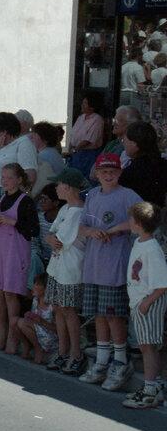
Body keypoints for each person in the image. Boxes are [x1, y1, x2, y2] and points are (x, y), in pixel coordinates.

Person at [77, 153, 142, 390]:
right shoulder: (93, 195)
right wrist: (91, 232)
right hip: (94, 264)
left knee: (114, 315)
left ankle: (121, 359)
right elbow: (83, 225)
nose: (107, 175)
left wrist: (118, 228)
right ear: (97, 172)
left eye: (112, 171)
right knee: (100, 314)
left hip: (115, 264)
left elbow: (144, 217)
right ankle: (102, 360)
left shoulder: (127, 196)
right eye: (103, 171)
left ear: (119, 173)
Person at [0, 163, 39, 353]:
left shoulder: (26, 201)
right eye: (3, 177)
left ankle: (13, 337)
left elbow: (33, 230)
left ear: (19, 179)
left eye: (9, 177)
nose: (5, 181)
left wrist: (12, 222)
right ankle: (2, 331)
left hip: (16, 251)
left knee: (10, 292)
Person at [42, 168, 89, 374]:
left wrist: (52, 238)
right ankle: (62, 351)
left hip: (71, 270)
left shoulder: (77, 212)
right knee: (58, 308)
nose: (56, 188)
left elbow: (60, 240)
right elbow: (50, 234)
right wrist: (50, 238)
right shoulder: (64, 209)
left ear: (68, 187)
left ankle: (75, 354)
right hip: (56, 267)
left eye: (59, 185)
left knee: (69, 311)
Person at [122, 202, 167, 408]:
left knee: (147, 346)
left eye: (131, 219)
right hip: (139, 300)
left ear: (139, 223)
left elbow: (162, 284)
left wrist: (146, 302)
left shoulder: (152, 249)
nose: (128, 222)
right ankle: (154, 384)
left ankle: (150, 388)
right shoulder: (140, 243)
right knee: (145, 345)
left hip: (148, 302)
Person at [0, 112, 37, 258]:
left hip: (5, 195)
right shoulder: (1, 147)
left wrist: (14, 196)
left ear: (4, 131)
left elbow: (30, 174)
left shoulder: (23, 144)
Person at [11, 274, 58, 363]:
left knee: (22, 323)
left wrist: (42, 322)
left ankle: (39, 349)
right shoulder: (36, 300)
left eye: (38, 285)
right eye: (34, 284)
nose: (33, 287)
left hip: (49, 337)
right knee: (14, 321)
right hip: (38, 331)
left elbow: (58, 330)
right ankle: (27, 345)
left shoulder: (52, 306)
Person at [118, 121, 167, 206]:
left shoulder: (130, 174)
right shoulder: (163, 165)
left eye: (125, 141)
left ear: (134, 144)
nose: (124, 144)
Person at [66, 92, 105, 179]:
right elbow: (73, 136)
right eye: (82, 103)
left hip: (88, 155)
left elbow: (87, 141)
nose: (82, 106)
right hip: (76, 153)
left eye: (85, 103)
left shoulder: (97, 120)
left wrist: (73, 151)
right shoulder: (81, 118)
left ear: (92, 106)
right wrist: (70, 151)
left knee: (84, 179)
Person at [30, 122, 66, 195]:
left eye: (34, 135)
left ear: (44, 139)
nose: (31, 138)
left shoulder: (44, 156)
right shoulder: (52, 152)